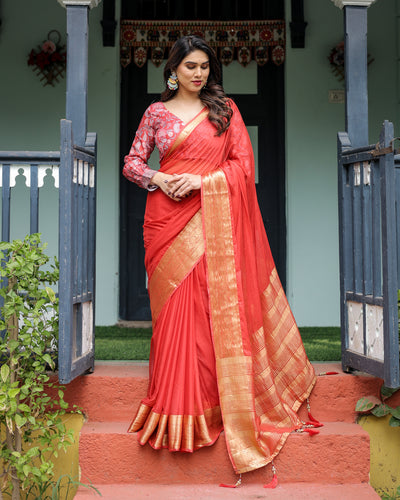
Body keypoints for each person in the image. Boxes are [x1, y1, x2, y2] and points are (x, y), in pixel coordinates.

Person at [123, 35, 316, 479]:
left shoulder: (224, 111)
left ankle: (210, 406)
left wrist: (199, 182)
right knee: (173, 312)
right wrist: (158, 177)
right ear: (173, 69)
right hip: (165, 220)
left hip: (210, 217)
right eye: (190, 66)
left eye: (205, 66)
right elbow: (132, 163)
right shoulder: (155, 113)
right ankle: (171, 405)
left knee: (208, 309)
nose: (198, 74)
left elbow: (242, 166)